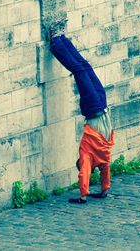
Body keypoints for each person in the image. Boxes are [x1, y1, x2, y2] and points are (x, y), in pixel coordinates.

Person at [49, 31, 115, 204]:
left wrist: (104, 190)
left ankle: (61, 40)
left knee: (84, 68)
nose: (80, 161)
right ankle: (58, 41)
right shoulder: (89, 154)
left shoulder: (103, 156)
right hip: (95, 106)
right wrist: (83, 195)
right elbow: (85, 172)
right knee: (81, 69)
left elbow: (105, 169)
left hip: (101, 104)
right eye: (80, 162)